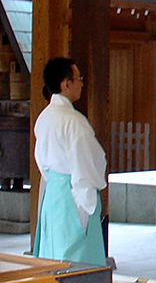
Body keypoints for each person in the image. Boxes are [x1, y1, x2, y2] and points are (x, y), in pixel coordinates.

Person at [33, 57, 107, 265]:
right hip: (73, 195)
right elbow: (87, 163)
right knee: (76, 260)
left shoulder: (44, 117)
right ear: (66, 84)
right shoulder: (74, 122)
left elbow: (41, 160)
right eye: (78, 79)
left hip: (53, 194)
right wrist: (87, 199)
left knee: (53, 255)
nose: (82, 83)